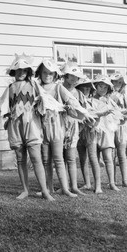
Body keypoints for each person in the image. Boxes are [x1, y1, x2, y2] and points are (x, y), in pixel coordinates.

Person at [0, 53, 62, 201]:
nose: (21, 73)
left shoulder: (34, 85)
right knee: (20, 158)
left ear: (29, 72)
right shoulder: (10, 87)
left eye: (24, 70)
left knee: (36, 158)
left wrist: (58, 108)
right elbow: (0, 107)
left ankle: (45, 190)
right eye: (18, 70)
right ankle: (25, 190)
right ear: (13, 72)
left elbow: (47, 98)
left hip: (31, 123)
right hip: (15, 125)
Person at [35, 58, 95, 196]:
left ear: (55, 75)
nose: (47, 76)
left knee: (58, 158)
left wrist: (84, 113)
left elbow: (71, 100)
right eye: (45, 73)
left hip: (56, 126)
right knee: (46, 160)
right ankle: (48, 188)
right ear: (40, 73)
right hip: (41, 127)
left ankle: (66, 188)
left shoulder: (57, 87)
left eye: (51, 73)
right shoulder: (37, 88)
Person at [91, 74, 124, 191]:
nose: (102, 89)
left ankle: (112, 183)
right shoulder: (90, 100)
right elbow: (90, 114)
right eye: (100, 86)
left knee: (108, 158)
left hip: (107, 132)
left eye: (105, 87)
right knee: (95, 159)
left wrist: (124, 114)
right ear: (95, 86)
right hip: (94, 131)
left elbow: (118, 112)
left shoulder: (109, 101)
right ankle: (98, 185)